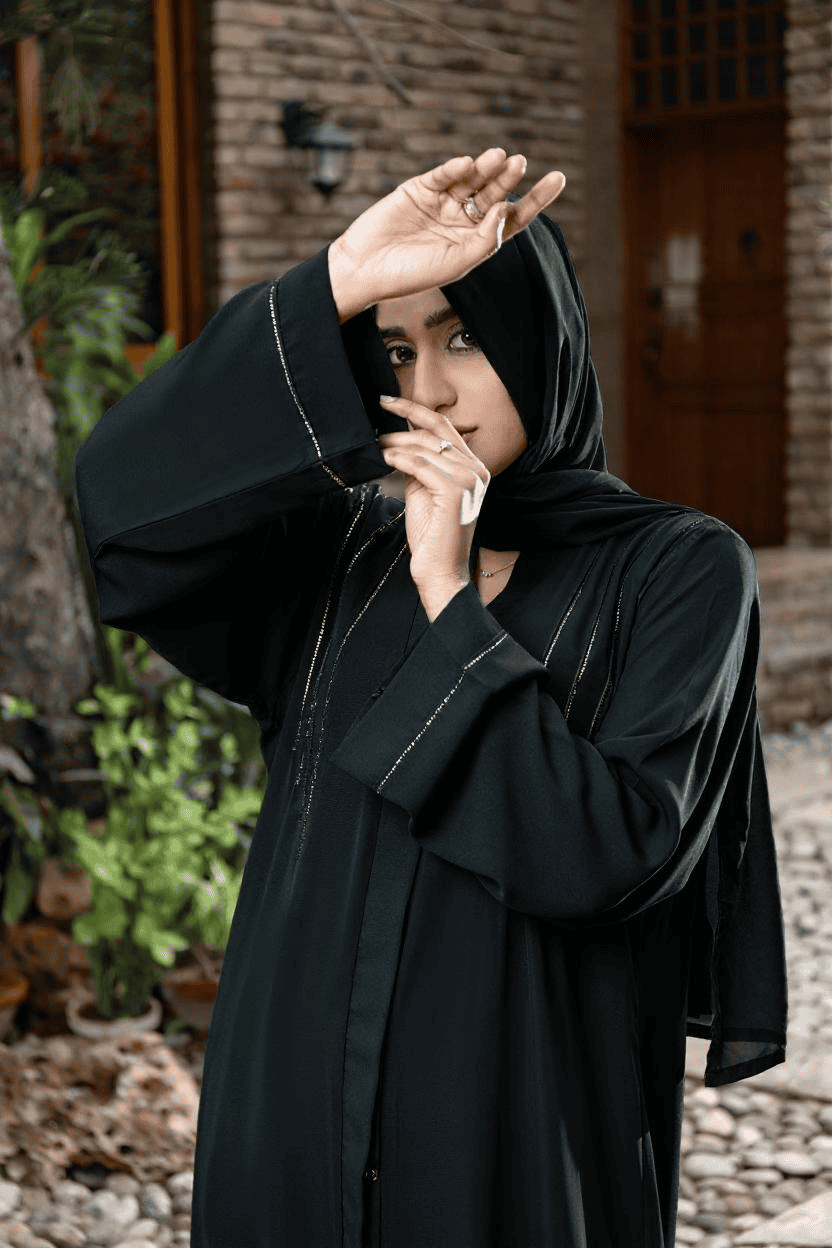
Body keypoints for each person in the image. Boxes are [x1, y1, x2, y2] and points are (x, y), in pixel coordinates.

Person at [74, 148, 787, 1248]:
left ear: (540, 340)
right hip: (294, 1093)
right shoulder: (334, 556)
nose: (433, 389)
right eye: (397, 350)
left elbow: (610, 850)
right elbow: (121, 520)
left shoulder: (678, 569)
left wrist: (447, 595)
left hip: (514, 1118)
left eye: (464, 338)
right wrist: (337, 278)